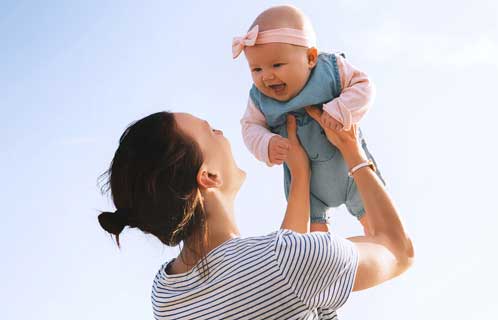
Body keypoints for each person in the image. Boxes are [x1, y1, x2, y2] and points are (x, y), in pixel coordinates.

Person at [98, 107, 414, 319]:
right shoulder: (287, 261)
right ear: (208, 176)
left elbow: (278, 277)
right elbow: (398, 251)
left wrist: (301, 177)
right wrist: (351, 150)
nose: (222, 133)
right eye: (211, 131)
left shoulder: (167, 294)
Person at [236, 5, 385, 233]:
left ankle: (380, 244)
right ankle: (322, 259)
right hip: (309, 187)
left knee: (378, 227)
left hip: (352, 170)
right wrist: (266, 143)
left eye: (277, 65)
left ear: (310, 57)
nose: (266, 76)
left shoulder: (330, 70)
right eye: (256, 69)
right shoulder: (259, 100)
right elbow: (250, 127)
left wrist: (340, 109)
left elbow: (364, 86)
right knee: (314, 243)